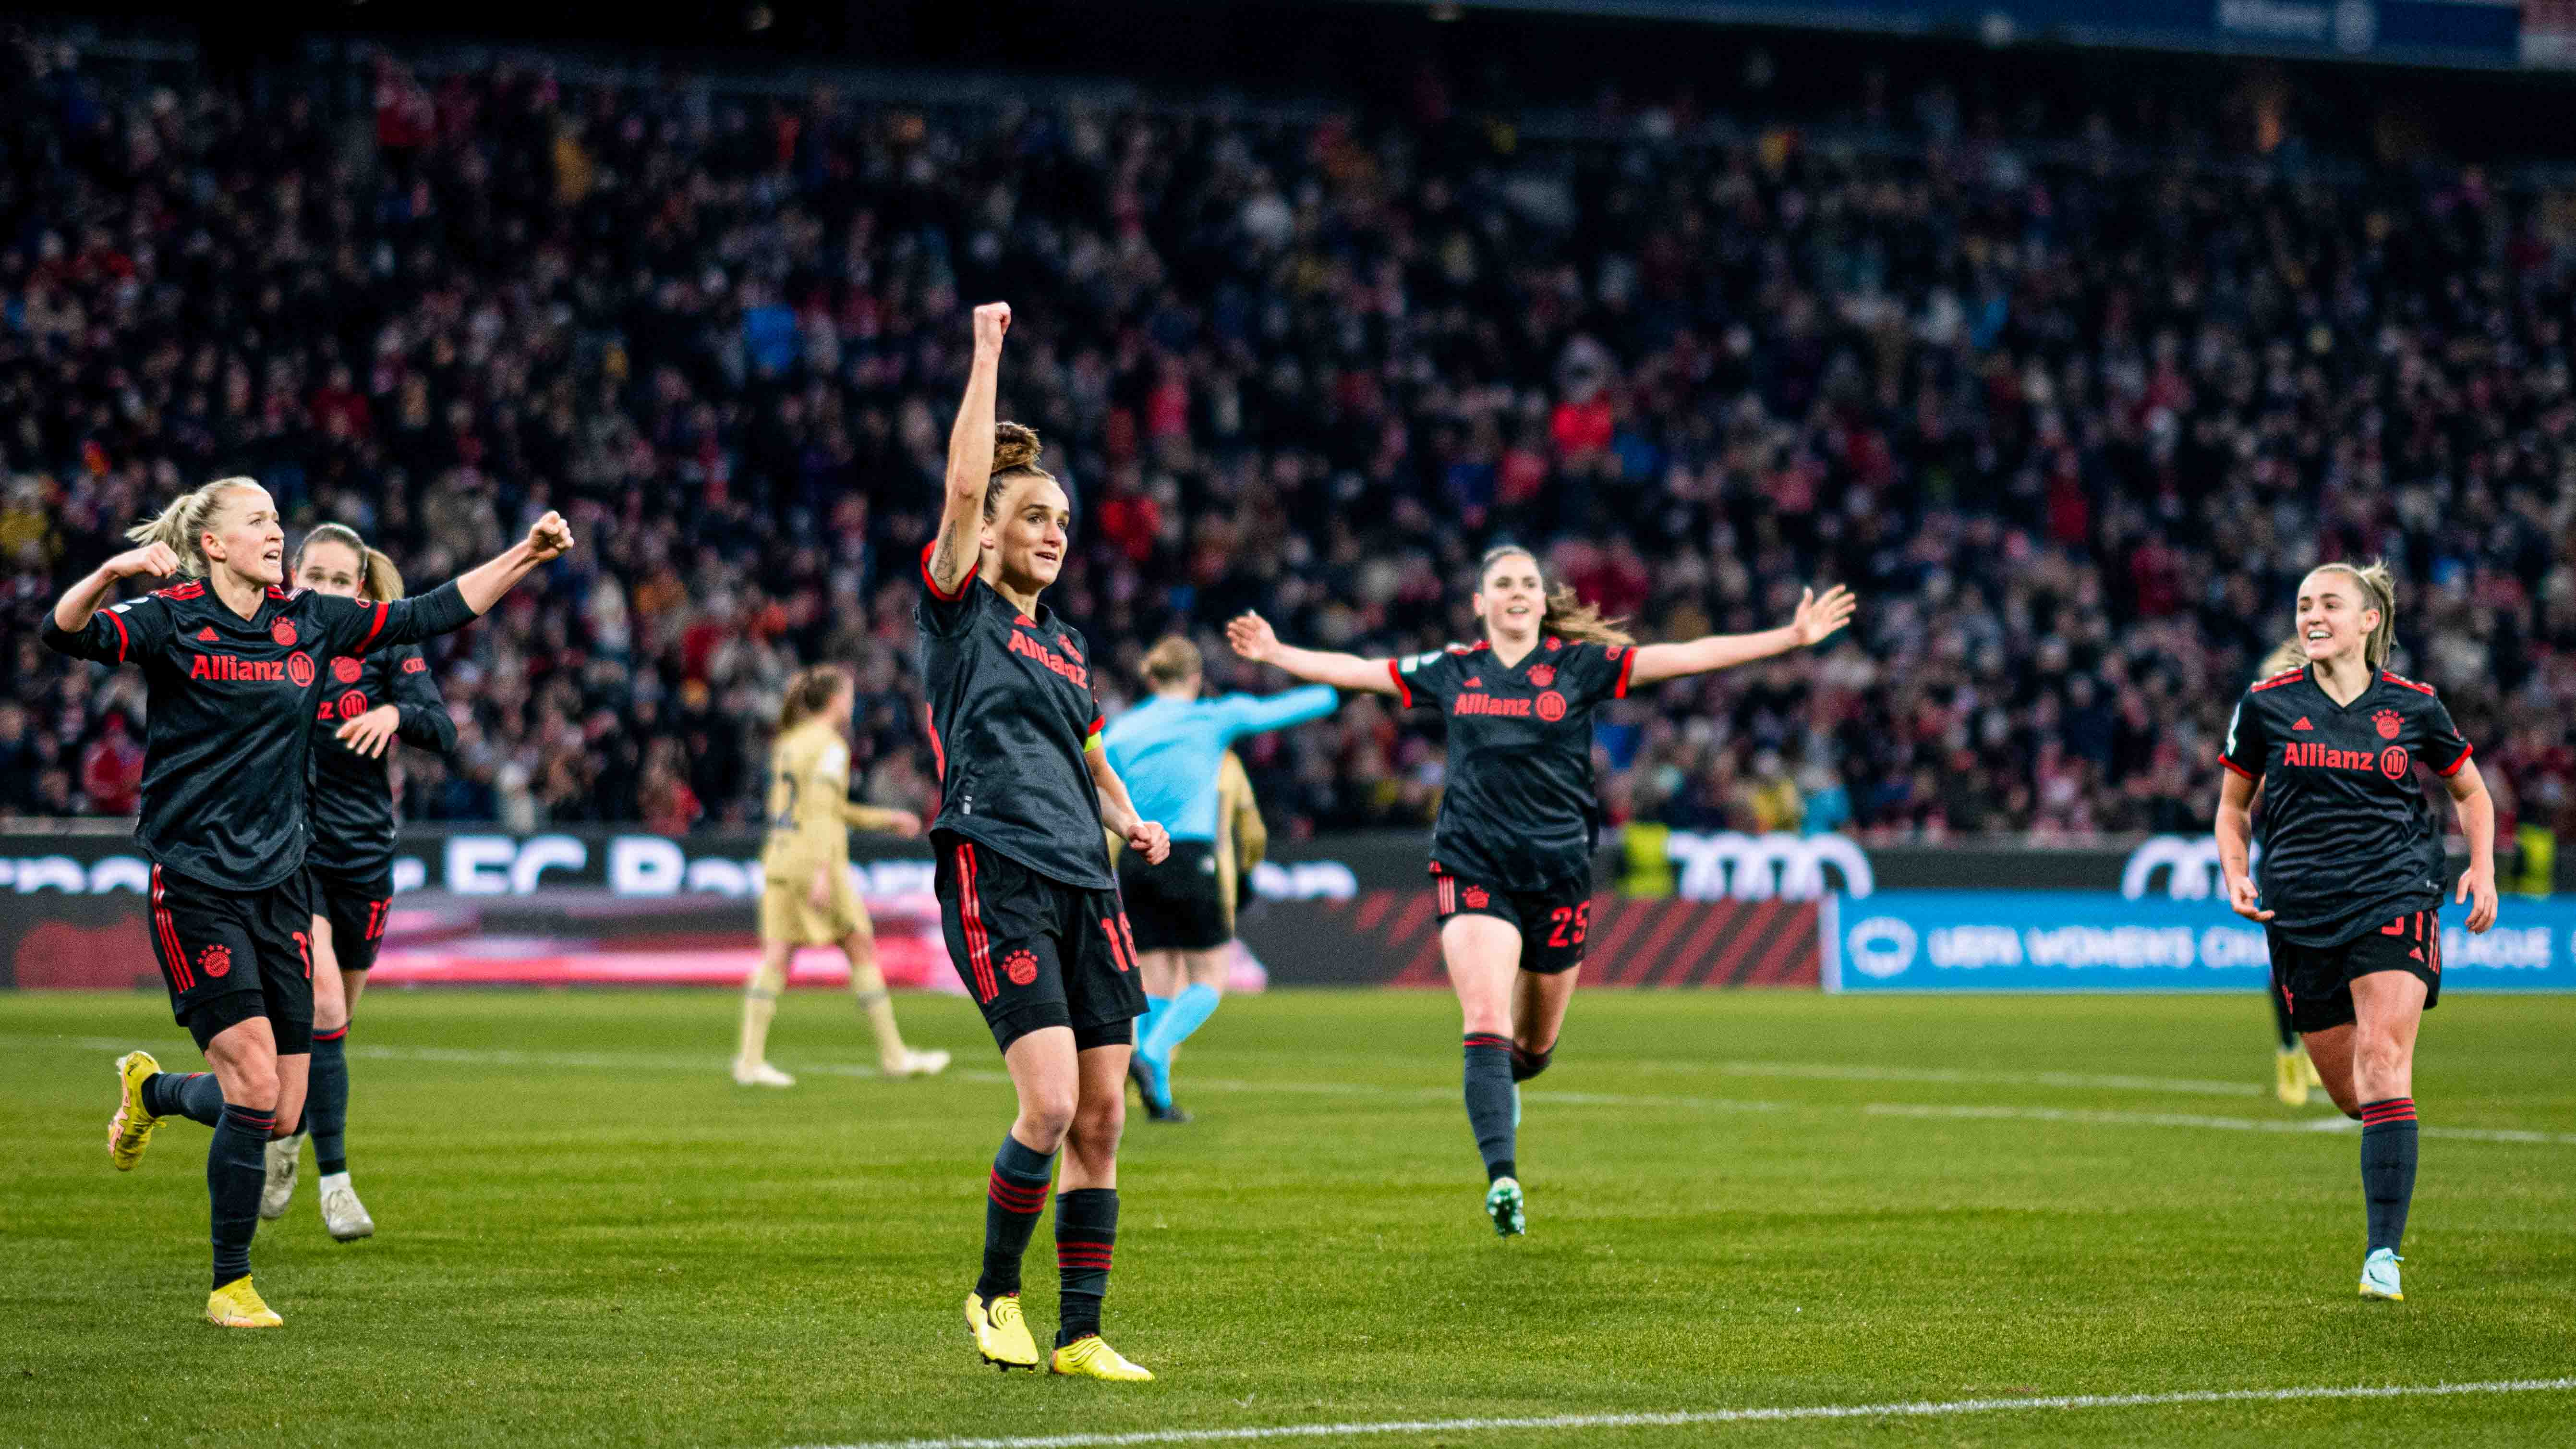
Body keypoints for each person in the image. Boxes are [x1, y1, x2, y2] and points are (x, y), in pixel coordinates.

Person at [51, 476, 571, 1327]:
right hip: (196, 883)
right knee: (257, 1081)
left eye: (276, 520)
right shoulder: (171, 617)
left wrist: (527, 553)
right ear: (213, 543)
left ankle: (152, 1095)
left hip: (285, 883)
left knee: (275, 1106)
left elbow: (430, 613)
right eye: (259, 521)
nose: (274, 533)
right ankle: (230, 1284)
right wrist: (108, 575)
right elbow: (61, 632)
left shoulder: (309, 621)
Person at [1227, 547, 1856, 1236]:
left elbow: (1685, 656)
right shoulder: (1452, 668)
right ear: (1481, 602)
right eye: (1503, 583)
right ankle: (1503, 1179)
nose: (1518, 591)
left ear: (1539, 598)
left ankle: (1506, 1089)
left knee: (1533, 1049)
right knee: (1485, 1023)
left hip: (1558, 873)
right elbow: (1359, 672)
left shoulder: (1578, 666)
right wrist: (1280, 652)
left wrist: (1788, 638)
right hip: (1472, 864)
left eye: (1528, 581)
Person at [922, 303, 1169, 1381]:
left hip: (1089, 876)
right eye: (1035, 517)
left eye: (1063, 519)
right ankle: (992, 1292)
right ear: (988, 534)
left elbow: (1092, 753)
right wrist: (987, 355)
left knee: (1105, 1116)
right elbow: (965, 486)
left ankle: (1080, 1331)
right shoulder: (960, 607)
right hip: (999, 863)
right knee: (1052, 1101)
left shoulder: (1066, 645)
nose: (1054, 532)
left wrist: (1129, 817)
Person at [2216, 560, 2499, 1303]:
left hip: (2396, 892)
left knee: (2382, 1059)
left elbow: (2470, 791)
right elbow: (2231, 807)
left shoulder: (2415, 705)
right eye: (2304, 603)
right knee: (2355, 1095)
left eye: (2329, 603)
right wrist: (2235, 870)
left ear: (2368, 620)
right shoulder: (2267, 704)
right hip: (2301, 910)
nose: (2312, 615)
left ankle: (2382, 1257)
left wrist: (2483, 868)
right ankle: (2385, 1123)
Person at [256, 524, 458, 1242]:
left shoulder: (385, 647)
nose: (326, 590)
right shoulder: (269, 639)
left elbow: (444, 729)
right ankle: (336, 1186)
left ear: (362, 591)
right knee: (323, 1003)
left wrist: (395, 712)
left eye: (342, 580)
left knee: (332, 1028)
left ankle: (287, 1138)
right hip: (291, 852)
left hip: (365, 853)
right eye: (315, 575)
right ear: (291, 575)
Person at [1102, 635, 1336, 1122]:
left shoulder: (1121, 729)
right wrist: (1344, 689)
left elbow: (1098, 786)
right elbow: (1282, 709)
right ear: (1195, 678)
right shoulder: (1211, 717)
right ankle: (1151, 1053)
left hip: (1136, 855)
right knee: (1210, 976)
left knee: (1157, 981)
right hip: (1189, 854)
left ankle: (1159, 1100)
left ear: (1150, 678)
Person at [734, 663, 949, 1087]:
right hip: (816, 861)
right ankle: (895, 1056)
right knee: (861, 948)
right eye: (848, 695)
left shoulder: (790, 744)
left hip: (780, 858)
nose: (851, 703)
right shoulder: (830, 746)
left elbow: (820, 808)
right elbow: (818, 813)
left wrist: (886, 819)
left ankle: (749, 1061)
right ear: (834, 701)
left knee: (776, 958)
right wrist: (819, 871)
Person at [2250, 638, 2329, 1108]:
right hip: (2284, 855)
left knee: (2332, 959)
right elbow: (2247, 790)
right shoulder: (2265, 721)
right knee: (2286, 963)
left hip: (2334, 854)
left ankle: (2321, 1050)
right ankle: (2287, 1051)